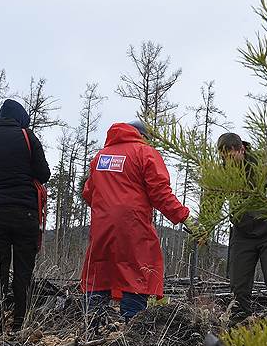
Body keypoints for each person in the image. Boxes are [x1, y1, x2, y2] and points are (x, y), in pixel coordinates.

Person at [80, 121, 194, 322]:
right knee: (136, 273)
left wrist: (108, 206)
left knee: (99, 272)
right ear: (143, 136)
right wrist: (184, 217)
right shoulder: (145, 153)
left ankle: (91, 330)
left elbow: (88, 193)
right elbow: (160, 193)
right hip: (133, 227)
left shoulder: (100, 157)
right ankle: (132, 332)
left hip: (102, 227)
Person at [0, 99, 50, 333]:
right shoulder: (28, 137)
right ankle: (18, 327)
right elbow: (43, 174)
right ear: (20, 118)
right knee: (23, 274)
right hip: (26, 214)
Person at [216, 132, 267, 323]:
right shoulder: (222, 171)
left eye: (230, 156)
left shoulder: (266, 163)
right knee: (238, 285)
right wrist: (204, 227)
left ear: (241, 149)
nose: (228, 162)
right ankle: (240, 325)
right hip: (242, 233)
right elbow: (212, 200)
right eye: (223, 158)